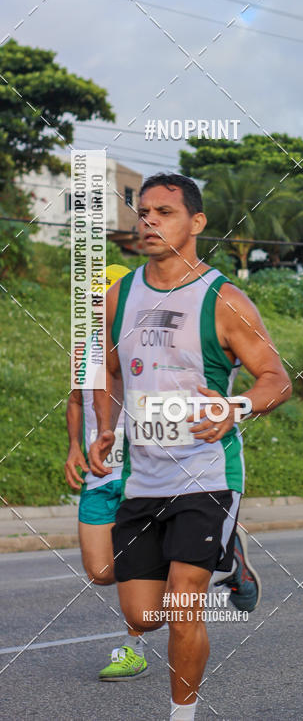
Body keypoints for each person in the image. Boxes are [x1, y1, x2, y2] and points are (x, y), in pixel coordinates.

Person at [89, 173, 291, 720]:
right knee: (144, 615)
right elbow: (107, 371)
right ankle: (233, 559)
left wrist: (235, 407)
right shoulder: (120, 296)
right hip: (142, 478)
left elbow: (276, 379)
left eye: (165, 212)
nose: (149, 221)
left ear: (196, 222)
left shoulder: (223, 299)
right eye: (143, 212)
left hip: (206, 475)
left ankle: (183, 714)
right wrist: (106, 426)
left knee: (183, 606)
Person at [64, 263, 149, 680]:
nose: (98, 306)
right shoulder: (83, 350)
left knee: (134, 561)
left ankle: (134, 648)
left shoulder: (142, 347)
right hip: (98, 474)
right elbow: (75, 401)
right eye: (93, 300)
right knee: (101, 572)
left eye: (105, 298)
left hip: (140, 474)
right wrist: (72, 448)